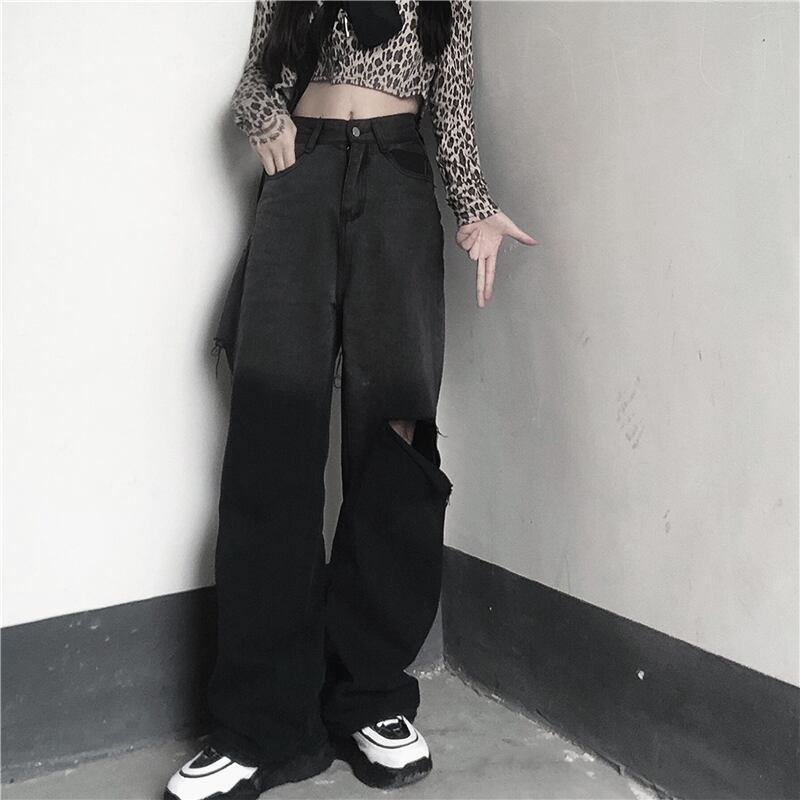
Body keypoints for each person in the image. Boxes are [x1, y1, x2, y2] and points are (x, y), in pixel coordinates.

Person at [164, 2, 536, 799]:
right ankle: (261, 725)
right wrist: (263, 114)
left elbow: (452, 107)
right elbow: (257, 80)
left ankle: (371, 696)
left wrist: (475, 206)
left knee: (396, 439)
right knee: (271, 436)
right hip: (300, 182)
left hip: (399, 181)